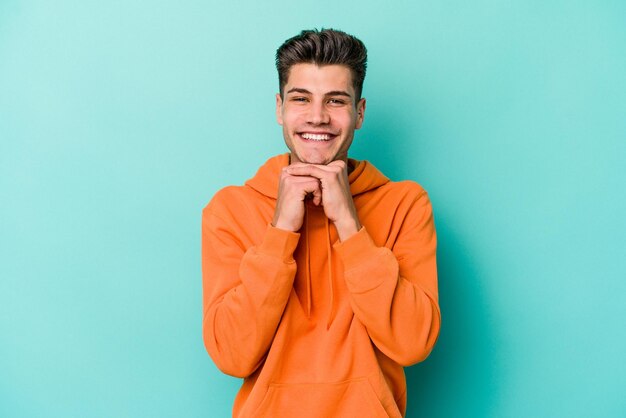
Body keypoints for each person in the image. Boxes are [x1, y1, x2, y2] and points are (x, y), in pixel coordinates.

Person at [201, 28, 441, 418]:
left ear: (359, 113)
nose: (317, 116)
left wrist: (350, 223)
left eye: (335, 100)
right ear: (279, 108)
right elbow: (231, 355)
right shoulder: (230, 209)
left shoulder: (405, 204)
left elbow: (412, 344)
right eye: (301, 99)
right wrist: (280, 233)